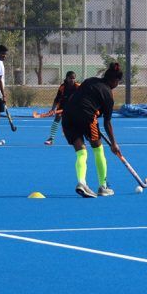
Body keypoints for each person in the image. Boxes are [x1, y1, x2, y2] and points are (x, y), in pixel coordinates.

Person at [61, 62, 123, 198]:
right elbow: (107, 123)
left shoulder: (90, 80)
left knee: (81, 152)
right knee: (98, 149)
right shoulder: (108, 95)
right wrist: (114, 143)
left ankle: (82, 182)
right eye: (118, 82)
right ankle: (103, 186)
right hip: (87, 117)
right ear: (115, 80)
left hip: (67, 116)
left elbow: (78, 99)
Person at [44, 71, 79, 145]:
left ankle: (78, 139)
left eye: (74, 78)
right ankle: (51, 139)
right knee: (57, 118)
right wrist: (53, 109)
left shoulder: (77, 87)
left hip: (73, 107)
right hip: (62, 106)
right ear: (67, 78)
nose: (72, 80)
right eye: (70, 78)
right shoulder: (62, 87)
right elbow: (57, 98)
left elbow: (83, 97)